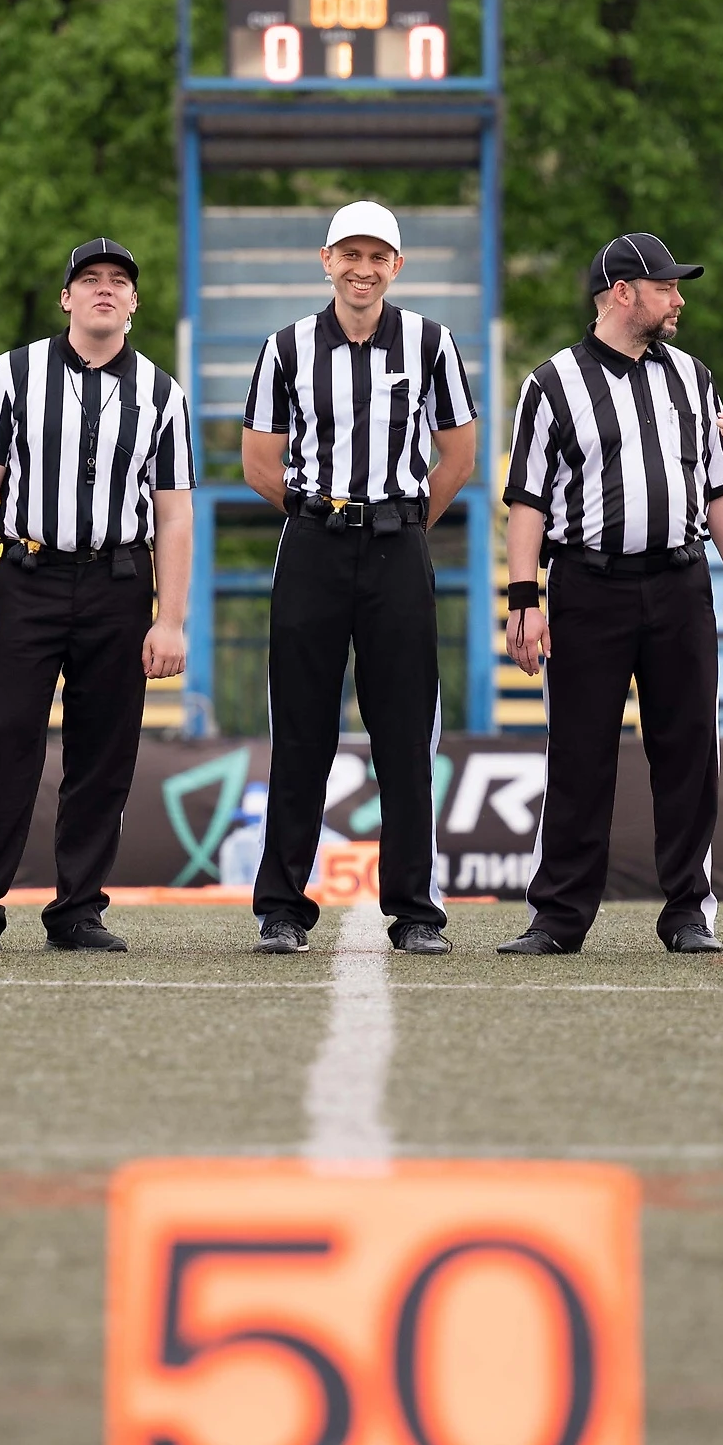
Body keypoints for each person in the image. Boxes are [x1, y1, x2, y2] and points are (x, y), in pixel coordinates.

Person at [0, 239, 195, 953]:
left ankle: (78, 909)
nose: (103, 290)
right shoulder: (12, 374)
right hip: (27, 578)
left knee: (104, 751)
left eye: (117, 282)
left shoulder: (162, 392)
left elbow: (176, 511)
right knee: (3, 738)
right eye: (88, 279)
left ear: (134, 301)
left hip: (119, 583)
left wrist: (172, 619)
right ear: (66, 296)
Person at [496, 232, 723, 956]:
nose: (679, 299)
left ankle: (687, 911)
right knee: (579, 754)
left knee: (686, 751)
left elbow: (721, 488)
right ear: (623, 292)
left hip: (681, 582)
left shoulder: (694, 377)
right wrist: (524, 600)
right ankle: (558, 917)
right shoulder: (550, 383)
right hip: (589, 585)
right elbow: (526, 502)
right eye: (667, 286)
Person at [242, 201, 478, 957]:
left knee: (406, 736)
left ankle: (414, 910)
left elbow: (459, 456)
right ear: (326, 259)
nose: (363, 268)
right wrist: (325, 515)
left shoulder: (431, 342)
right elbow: (256, 462)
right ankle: (281, 906)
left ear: (397, 266)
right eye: (350, 253)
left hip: (396, 546)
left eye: (378, 256)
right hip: (311, 544)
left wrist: (399, 520)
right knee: (301, 735)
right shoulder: (284, 348)